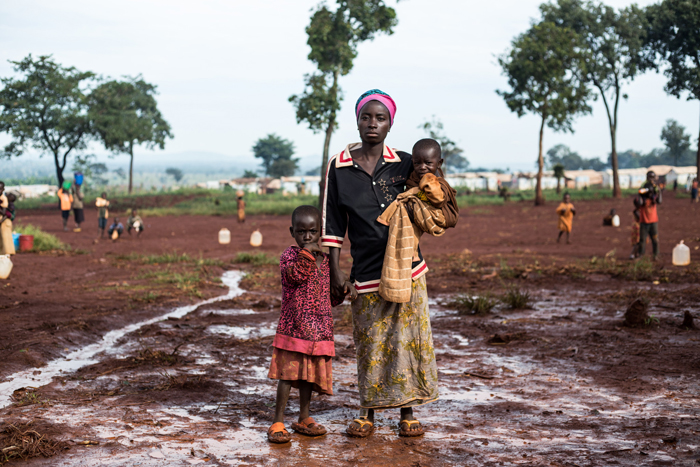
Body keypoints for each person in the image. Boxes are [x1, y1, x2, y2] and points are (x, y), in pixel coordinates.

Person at [323, 89, 439, 438]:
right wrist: (335, 269)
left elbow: (433, 192)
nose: (372, 124)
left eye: (380, 118)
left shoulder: (404, 163)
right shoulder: (340, 168)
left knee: (408, 341)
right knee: (370, 343)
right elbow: (332, 224)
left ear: (390, 123)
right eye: (366, 117)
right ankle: (367, 413)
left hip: (408, 267)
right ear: (357, 120)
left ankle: (408, 410)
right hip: (366, 272)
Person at [267, 205, 354, 444]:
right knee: (288, 375)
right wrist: (307, 254)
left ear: (320, 233)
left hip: (318, 331)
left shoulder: (326, 262)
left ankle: (304, 417)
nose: (307, 237)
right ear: (292, 232)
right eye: (301, 231)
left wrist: (343, 289)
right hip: (294, 328)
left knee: (308, 378)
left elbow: (331, 298)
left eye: (312, 232)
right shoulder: (290, 256)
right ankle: (278, 421)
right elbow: (295, 276)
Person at [376, 138, 459, 302]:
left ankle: (411, 254)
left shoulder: (435, 181)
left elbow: (438, 200)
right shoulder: (414, 177)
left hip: (434, 215)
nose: (422, 167)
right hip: (415, 215)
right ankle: (410, 255)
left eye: (428, 163)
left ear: (439, 163)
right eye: (417, 163)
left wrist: (419, 189)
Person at [635, 170, 662, 260]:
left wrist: (657, 192)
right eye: (650, 177)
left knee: (655, 240)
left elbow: (660, 201)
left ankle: (656, 255)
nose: (651, 180)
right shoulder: (643, 191)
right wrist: (646, 191)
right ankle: (641, 255)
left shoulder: (655, 190)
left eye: (652, 178)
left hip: (653, 221)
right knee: (642, 240)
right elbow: (639, 196)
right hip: (644, 220)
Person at [0, 184, 16, 256]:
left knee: (5, 238)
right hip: (4, 220)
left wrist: (1, 220)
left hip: (5, 221)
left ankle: (7, 255)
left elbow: (6, 213)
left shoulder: (5, 200)